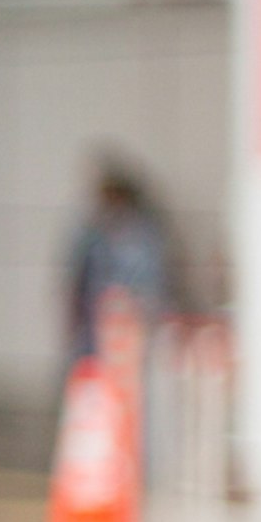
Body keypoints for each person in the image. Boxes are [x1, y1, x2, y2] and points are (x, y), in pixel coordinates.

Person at [65, 158, 173, 372]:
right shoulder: (92, 234)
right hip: (94, 329)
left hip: (128, 329)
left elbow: (152, 286)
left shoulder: (141, 236)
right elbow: (77, 280)